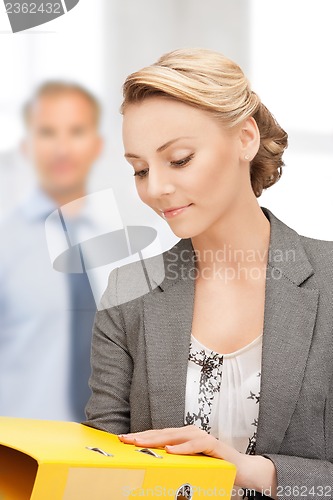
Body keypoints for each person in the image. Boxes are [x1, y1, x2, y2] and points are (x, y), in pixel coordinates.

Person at [83, 48, 333, 499]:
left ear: (245, 139)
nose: (155, 188)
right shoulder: (128, 292)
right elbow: (100, 467)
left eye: (178, 159)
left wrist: (251, 471)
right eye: (139, 169)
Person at [0, 81, 103, 422]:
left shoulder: (128, 249)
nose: (62, 148)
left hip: (110, 458)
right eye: (47, 132)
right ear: (27, 146)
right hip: (17, 458)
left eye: (75, 131)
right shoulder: (6, 246)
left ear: (97, 145)